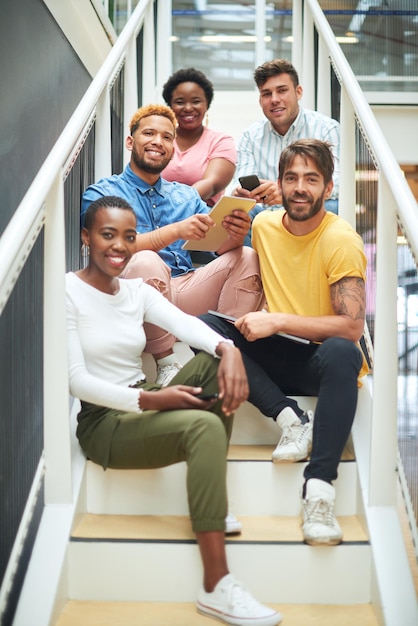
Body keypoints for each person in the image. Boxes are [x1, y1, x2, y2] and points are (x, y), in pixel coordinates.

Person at [67, 195, 281, 626]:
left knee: (217, 357)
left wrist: (228, 349)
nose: (119, 247)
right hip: (106, 420)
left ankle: (211, 502)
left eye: (129, 237)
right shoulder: (67, 291)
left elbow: (189, 327)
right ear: (86, 238)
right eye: (108, 235)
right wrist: (150, 399)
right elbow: (76, 381)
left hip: (143, 397)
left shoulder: (134, 291)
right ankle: (216, 586)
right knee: (203, 428)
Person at [201, 139, 368, 546]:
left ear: (328, 189)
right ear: (279, 183)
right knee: (206, 328)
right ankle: (291, 419)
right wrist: (232, 221)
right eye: (291, 178)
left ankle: (319, 491)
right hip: (280, 355)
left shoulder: (340, 239)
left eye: (311, 179)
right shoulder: (263, 226)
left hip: (321, 361)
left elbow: (351, 328)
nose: (300, 188)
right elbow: (216, 253)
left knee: (343, 350)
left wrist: (277, 319)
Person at [81, 104, 264, 390]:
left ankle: (223, 354)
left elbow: (219, 247)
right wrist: (174, 231)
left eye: (167, 137)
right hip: (130, 299)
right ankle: (166, 362)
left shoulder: (185, 196)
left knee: (246, 256)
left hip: (180, 288)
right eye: (149, 133)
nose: (158, 142)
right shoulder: (103, 192)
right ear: (131, 141)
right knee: (145, 260)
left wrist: (236, 233)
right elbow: (111, 247)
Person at [232, 59, 340, 245]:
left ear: (298, 92)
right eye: (267, 94)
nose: (274, 99)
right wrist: (243, 193)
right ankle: (251, 273)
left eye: (282, 90)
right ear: (260, 100)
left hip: (308, 206)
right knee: (238, 214)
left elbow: (338, 184)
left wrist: (287, 192)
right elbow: (239, 183)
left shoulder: (326, 129)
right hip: (265, 214)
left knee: (334, 207)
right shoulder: (250, 136)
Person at [161, 67, 236, 208]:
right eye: (180, 102)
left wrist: (175, 207)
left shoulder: (220, 141)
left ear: (207, 104)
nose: (188, 108)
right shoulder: (160, 140)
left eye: (196, 101)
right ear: (170, 106)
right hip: (157, 213)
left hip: (203, 215)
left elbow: (212, 183)